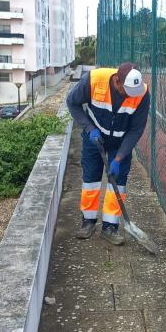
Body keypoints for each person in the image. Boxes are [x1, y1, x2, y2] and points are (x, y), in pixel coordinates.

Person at [66, 62, 150, 245]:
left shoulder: (141, 92)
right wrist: (89, 128)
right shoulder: (94, 80)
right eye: (127, 90)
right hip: (94, 137)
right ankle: (87, 222)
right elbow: (72, 102)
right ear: (117, 82)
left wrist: (119, 158)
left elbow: (136, 130)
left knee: (117, 184)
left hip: (120, 141)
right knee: (91, 180)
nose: (131, 95)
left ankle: (110, 227)